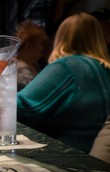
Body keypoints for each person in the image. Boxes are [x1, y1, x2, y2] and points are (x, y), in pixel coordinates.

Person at [17, 12, 110, 154]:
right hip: (94, 162)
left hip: (70, 162)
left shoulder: (68, 66)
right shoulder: (104, 69)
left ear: (61, 38)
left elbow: (21, 107)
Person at [14, 20, 49, 90]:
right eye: (39, 43)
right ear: (28, 46)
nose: (41, 47)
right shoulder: (21, 71)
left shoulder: (33, 64)